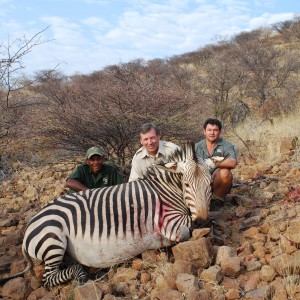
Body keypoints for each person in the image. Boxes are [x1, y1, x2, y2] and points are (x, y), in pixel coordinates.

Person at [195, 118, 237, 200]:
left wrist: (213, 162)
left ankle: (217, 201)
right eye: (209, 130)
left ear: (220, 132)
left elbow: (232, 162)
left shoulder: (227, 145)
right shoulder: (196, 146)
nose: (212, 133)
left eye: (215, 130)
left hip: (216, 182)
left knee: (225, 172)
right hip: (198, 183)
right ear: (204, 131)